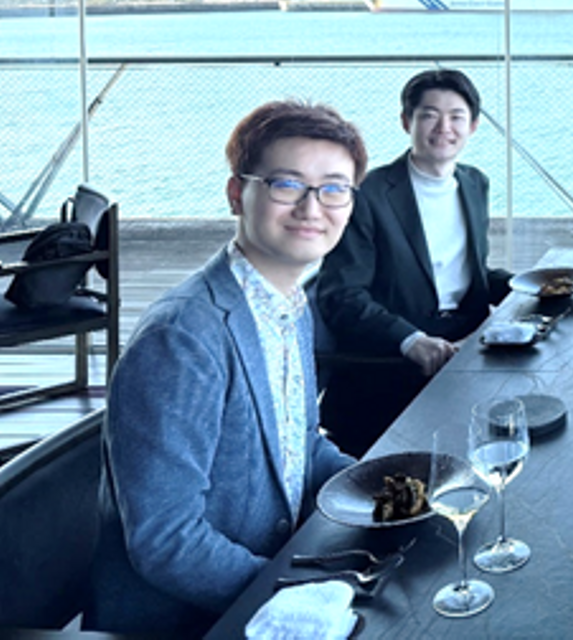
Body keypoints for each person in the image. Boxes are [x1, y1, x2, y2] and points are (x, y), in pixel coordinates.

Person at [87, 101, 363, 635]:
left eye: (334, 188)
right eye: (287, 184)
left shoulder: (289, 304)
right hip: (190, 621)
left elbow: (301, 446)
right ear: (237, 194)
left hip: (271, 573)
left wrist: (384, 491)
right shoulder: (182, 337)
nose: (312, 207)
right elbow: (166, 540)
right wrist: (295, 594)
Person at [314, 68, 511, 455]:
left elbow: (467, 273)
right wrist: (411, 341)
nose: (444, 128)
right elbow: (341, 295)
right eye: (429, 115)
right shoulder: (368, 194)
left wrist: (527, 287)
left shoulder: (475, 183)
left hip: (469, 345)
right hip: (394, 363)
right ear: (407, 122)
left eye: (456, 117)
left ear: (473, 126)